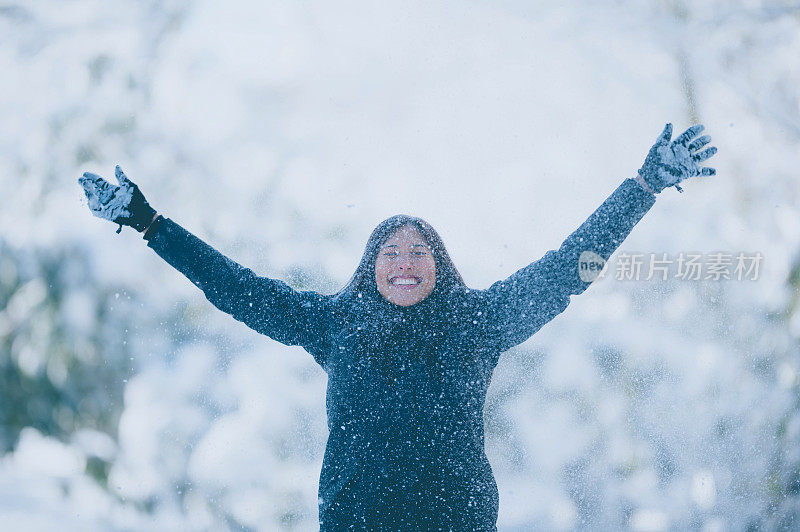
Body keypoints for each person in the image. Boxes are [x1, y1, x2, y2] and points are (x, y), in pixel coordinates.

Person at [79, 123, 717, 530]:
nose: (405, 262)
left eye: (419, 252)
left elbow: (567, 270)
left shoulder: (478, 321)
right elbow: (237, 289)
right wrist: (149, 224)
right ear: (370, 267)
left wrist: (645, 185)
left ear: (439, 265)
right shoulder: (334, 322)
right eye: (390, 252)